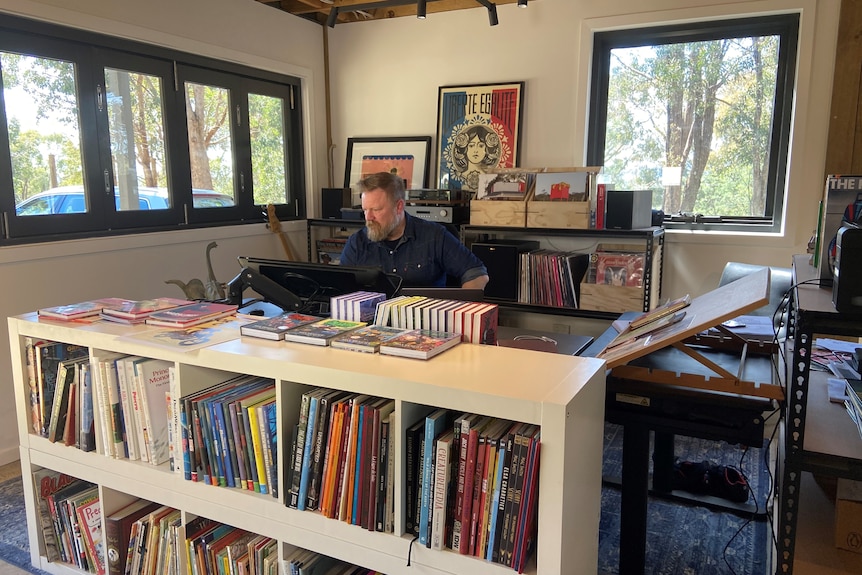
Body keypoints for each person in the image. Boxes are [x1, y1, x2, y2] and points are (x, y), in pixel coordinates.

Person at [339, 172, 489, 289]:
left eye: (376, 209)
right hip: (373, 323)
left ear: (399, 207)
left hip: (425, 322)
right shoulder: (357, 243)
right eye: (365, 209)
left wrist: (457, 314)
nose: (368, 217)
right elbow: (341, 288)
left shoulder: (434, 236)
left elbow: (477, 274)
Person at [451, 124, 501, 193]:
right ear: (465, 148)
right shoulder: (460, 175)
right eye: (471, 145)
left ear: (486, 149)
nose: (476, 150)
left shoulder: (490, 178)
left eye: (480, 146)